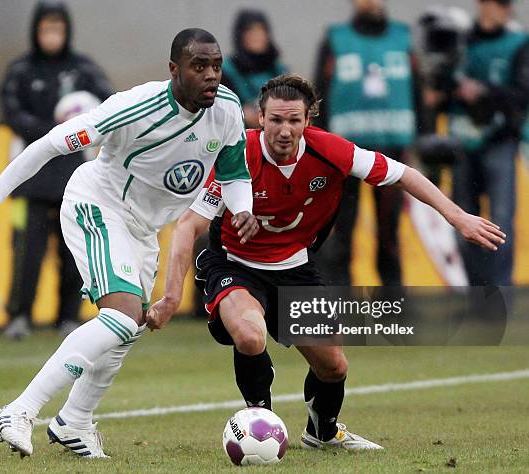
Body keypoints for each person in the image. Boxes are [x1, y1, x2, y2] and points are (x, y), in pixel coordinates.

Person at [0, 28, 258, 458]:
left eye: (216, 66)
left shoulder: (226, 109)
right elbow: (47, 146)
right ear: (173, 69)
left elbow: (235, 173)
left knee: (125, 332)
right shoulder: (132, 108)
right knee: (124, 315)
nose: (210, 76)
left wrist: (242, 208)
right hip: (99, 205)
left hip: (145, 231)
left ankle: (74, 421)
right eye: (198, 66)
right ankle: (19, 410)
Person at [146, 74, 505, 451]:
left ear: (308, 121)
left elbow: (405, 175)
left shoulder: (332, 151)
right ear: (260, 120)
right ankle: (260, 427)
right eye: (276, 121)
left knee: (334, 367)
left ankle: (323, 432)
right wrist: (171, 298)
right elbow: (188, 226)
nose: (284, 131)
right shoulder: (239, 153)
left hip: (294, 267)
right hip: (234, 264)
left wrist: (458, 217)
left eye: (294, 121)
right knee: (250, 336)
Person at [0, 1, 113, 340]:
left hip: (74, 174)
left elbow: (108, 103)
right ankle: (19, 316)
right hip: (31, 175)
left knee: (73, 249)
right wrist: (52, 131)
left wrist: (83, 129)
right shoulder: (20, 70)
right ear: (36, 31)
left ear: (67, 32)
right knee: (27, 251)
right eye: (46, 29)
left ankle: (67, 316)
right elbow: (11, 112)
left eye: (58, 29)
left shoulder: (83, 69)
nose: (52, 36)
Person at [312, 0, 421, 286]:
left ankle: (393, 300)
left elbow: (418, 90)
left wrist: (424, 137)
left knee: (389, 231)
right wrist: (319, 147)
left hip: (393, 149)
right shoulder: (335, 39)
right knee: (342, 228)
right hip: (343, 153)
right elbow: (319, 94)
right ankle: (339, 299)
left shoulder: (403, 37)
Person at [447, 0, 528, 286]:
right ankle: (477, 294)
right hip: (462, 144)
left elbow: (523, 94)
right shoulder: (457, 42)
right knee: (461, 218)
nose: (499, 9)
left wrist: (484, 93)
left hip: (499, 141)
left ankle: (500, 293)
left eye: (504, 4)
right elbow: (440, 88)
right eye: (494, 3)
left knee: (502, 220)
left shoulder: (519, 43)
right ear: (481, 5)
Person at [222, 9, 287, 129]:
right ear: (240, 35)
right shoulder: (228, 70)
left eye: (261, 30)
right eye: (250, 31)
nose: (256, 36)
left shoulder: (278, 68)